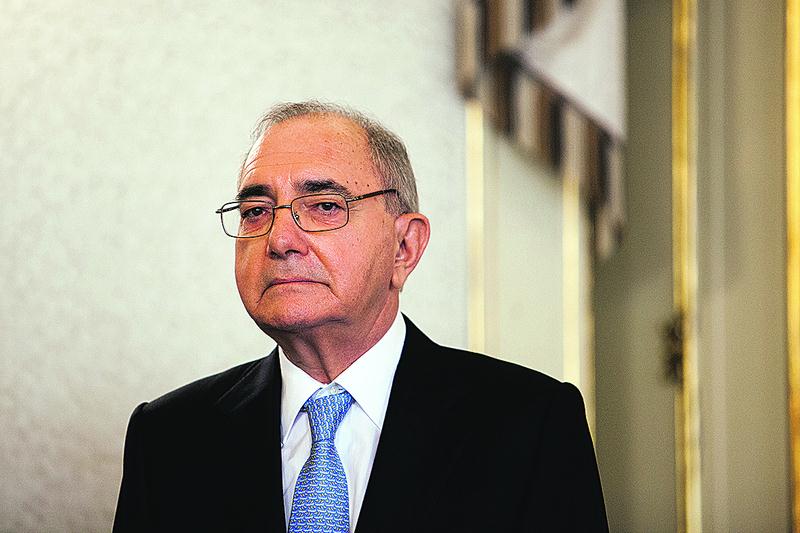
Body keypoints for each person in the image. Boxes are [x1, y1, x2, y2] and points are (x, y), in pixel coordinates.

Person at [113, 101, 608, 532]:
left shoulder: (532, 425)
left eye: (325, 206)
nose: (279, 240)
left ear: (404, 246)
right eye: (256, 211)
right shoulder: (168, 437)